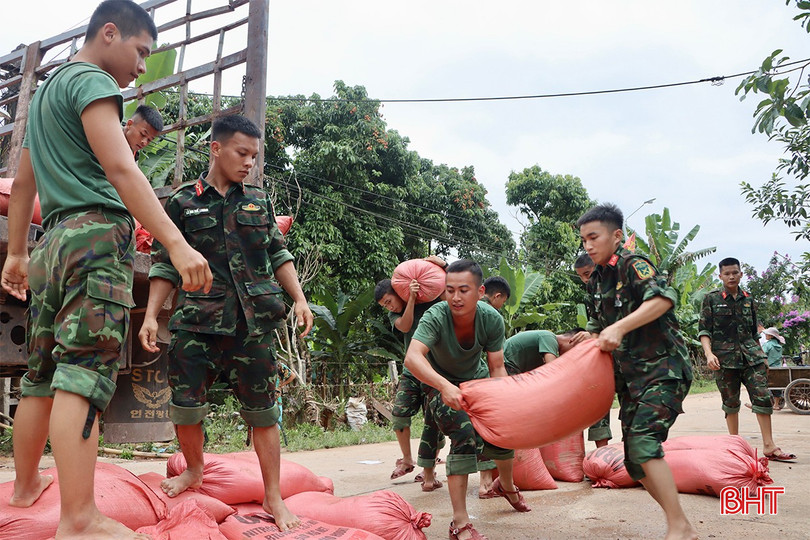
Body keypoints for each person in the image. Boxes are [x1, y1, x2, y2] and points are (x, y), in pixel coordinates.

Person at [0, 2, 212, 538]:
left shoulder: (46, 95)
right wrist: (176, 243)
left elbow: (21, 185)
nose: (142, 67)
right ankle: (79, 518)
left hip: (51, 244)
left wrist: (18, 253)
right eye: (141, 52)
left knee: (40, 374)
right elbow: (120, 168)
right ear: (109, 33)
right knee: (84, 370)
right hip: (95, 238)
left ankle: (25, 487)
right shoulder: (94, 83)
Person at [138, 114, 313, 531]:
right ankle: (194, 470)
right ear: (216, 149)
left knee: (264, 412)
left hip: (252, 326)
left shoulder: (258, 201)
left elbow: (277, 253)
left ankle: (273, 496)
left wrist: (300, 298)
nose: (249, 162)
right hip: (196, 323)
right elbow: (164, 264)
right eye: (242, 153)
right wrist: (150, 316)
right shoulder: (182, 202)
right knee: (186, 407)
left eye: (254, 156)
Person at [574, 203, 696, 540]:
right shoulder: (596, 280)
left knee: (643, 444)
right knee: (635, 463)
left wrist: (619, 328)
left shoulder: (633, 264)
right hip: (630, 380)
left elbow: (663, 299)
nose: (588, 245)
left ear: (616, 236)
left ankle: (678, 527)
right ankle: (682, 524)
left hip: (663, 370)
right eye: (583, 240)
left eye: (593, 237)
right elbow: (598, 327)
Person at [405, 259, 530, 540]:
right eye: (450, 290)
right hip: (438, 383)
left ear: (479, 291)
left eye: (464, 290)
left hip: (476, 380)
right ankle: (459, 523)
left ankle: (506, 486)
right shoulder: (436, 315)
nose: (456, 297)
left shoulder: (491, 319)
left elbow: (497, 366)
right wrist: (444, 386)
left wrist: (503, 400)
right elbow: (412, 358)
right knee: (464, 433)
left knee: (502, 427)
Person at [698, 258, 796, 462]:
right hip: (724, 359)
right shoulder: (711, 299)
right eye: (727, 273)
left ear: (741, 274)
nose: (731, 276)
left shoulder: (748, 299)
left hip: (752, 357)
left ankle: (769, 446)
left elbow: (753, 332)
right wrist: (709, 354)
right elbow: (704, 330)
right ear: (720, 276)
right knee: (730, 402)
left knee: (763, 397)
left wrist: (762, 356)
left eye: (735, 272)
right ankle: (735, 447)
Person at [374, 257, 446, 492]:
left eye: (389, 301)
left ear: (398, 292)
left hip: (434, 369)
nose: (389, 307)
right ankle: (407, 460)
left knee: (433, 421)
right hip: (411, 369)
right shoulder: (396, 314)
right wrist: (411, 300)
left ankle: (429, 469)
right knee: (399, 414)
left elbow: (449, 291)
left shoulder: (431, 299)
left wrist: (443, 267)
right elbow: (405, 326)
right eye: (385, 305)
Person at [572, 253, 613, 448]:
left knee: (633, 406)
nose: (584, 280)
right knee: (597, 401)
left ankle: (634, 454)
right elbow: (595, 322)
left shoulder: (618, 279)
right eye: (580, 276)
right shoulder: (592, 290)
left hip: (628, 352)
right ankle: (602, 454)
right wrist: (591, 337)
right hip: (603, 351)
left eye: (587, 274)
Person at [762, 327, 786, 410]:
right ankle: (776, 404)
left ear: (771, 336)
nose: (765, 335)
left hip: (768, 368)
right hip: (778, 368)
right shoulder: (779, 346)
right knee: (776, 385)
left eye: (767, 334)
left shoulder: (767, 345)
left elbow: (762, 355)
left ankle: (763, 403)